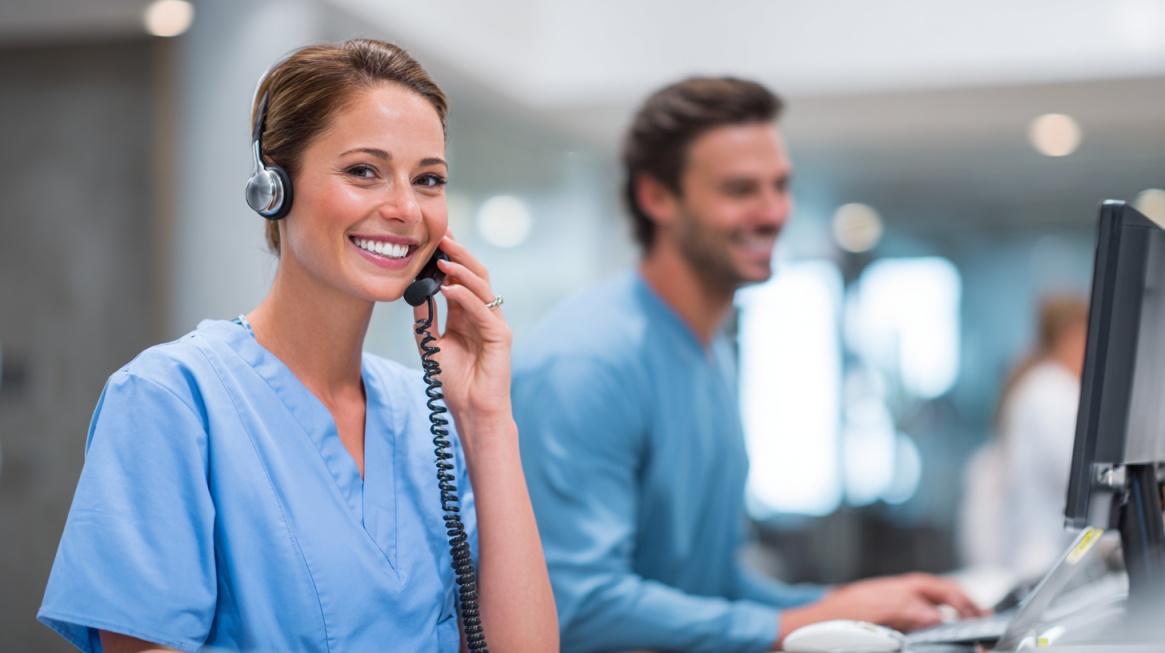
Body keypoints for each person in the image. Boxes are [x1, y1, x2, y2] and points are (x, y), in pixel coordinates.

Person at [38, 39, 557, 653]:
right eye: (364, 170)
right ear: (273, 186)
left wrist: (487, 416)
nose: (405, 209)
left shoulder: (426, 416)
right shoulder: (170, 400)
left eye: (428, 179)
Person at [511, 77, 983, 653]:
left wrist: (850, 608)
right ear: (656, 197)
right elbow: (578, 606)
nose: (773, 212)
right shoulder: (587, 363)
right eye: (740, 190)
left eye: (780, 186)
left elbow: (711, 584)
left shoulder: (708, 350)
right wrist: (801, 624)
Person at [958, 295, 1090, 582]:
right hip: (1046, 560)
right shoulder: (1053, 392)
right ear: (1073, 338)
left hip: (1043, 557)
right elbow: (1081, 478)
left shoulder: (1041, 386)